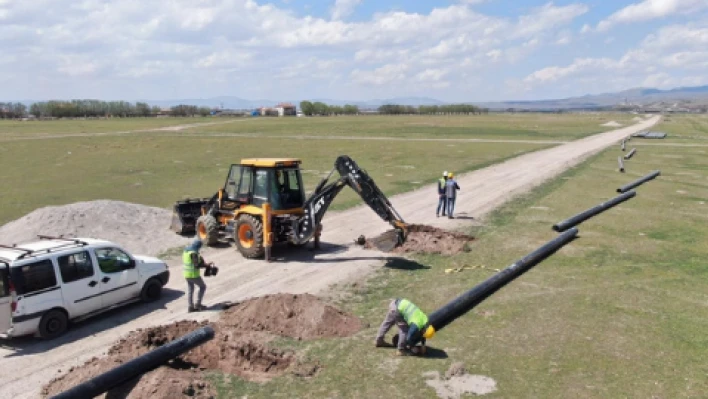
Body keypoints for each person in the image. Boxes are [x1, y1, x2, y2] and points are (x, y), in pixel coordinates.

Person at [183, 239, 208, 312]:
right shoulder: (193, 253)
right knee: (203, 287)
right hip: (193, 275)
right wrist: (206, 265)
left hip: (186, 274)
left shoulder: (186, 251)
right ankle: (198, 304)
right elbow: (196, 265)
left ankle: (190, 307)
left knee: (191, 289)